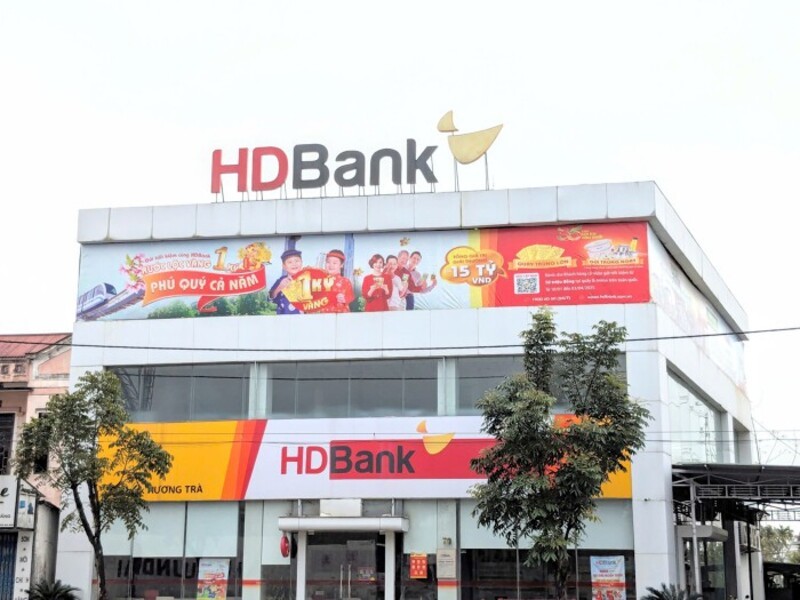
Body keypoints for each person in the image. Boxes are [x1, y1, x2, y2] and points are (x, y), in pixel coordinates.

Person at [269, 249, 304, 315]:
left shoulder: (309, 279)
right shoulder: (281, 281)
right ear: (284, 266)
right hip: (284, 317)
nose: (294, 264)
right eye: (290, 262)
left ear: (302, 262)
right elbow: (270, 298)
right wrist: (279, 287)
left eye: (297, 261)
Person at [320, 249, 354, 313]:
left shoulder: (345, 281)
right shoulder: (320, 281)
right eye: (328, 262)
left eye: (334, 263)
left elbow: (350, 297)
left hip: (341, 314)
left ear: (341, 265)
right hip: (324, 315)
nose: (331, 265)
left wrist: (344, 299)